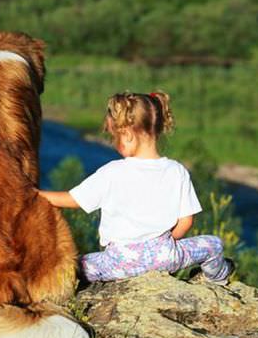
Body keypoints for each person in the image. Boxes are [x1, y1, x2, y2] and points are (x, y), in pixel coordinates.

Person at [38, 91, 234, 284]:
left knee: (74, 267)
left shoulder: (112, 172)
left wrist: (35, 194)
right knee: (214, 245)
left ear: (128, 135)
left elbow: (73, 200)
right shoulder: (177, 171)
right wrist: (163, 245)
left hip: (118, 263)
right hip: (165, 257)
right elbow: (186, 221)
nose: (114, 143)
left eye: (114, 137)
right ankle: (217, 278)